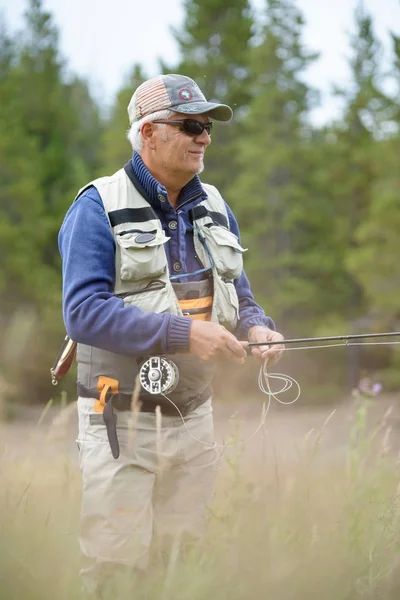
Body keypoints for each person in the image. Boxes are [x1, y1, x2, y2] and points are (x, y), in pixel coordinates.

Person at [58, 73, 284, 596]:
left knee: (182, 566)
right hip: (120, 422)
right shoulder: (95, 207)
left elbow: (239, 293)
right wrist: (185, 334)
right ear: (149, 133)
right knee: (116, 570)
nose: (204, 136)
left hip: (194, 418)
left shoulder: (214, 205)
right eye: (190, 125)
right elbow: (83, 313)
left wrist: (258, 327)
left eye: (206, 126)